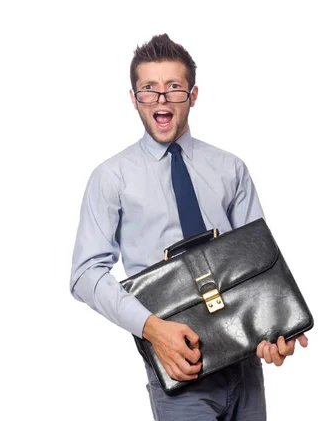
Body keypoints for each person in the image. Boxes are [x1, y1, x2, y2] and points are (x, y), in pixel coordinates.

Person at [70, 33, 308, 420]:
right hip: (178, 364)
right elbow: (84, 275)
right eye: (149, 89)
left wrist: (276, 329)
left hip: (245, 362)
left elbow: (263, 264)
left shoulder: (231, 168)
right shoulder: (111, 177)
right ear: (134, 99)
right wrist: (151, 329)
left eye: (173, 88)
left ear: (192, 96)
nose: (161, 99)